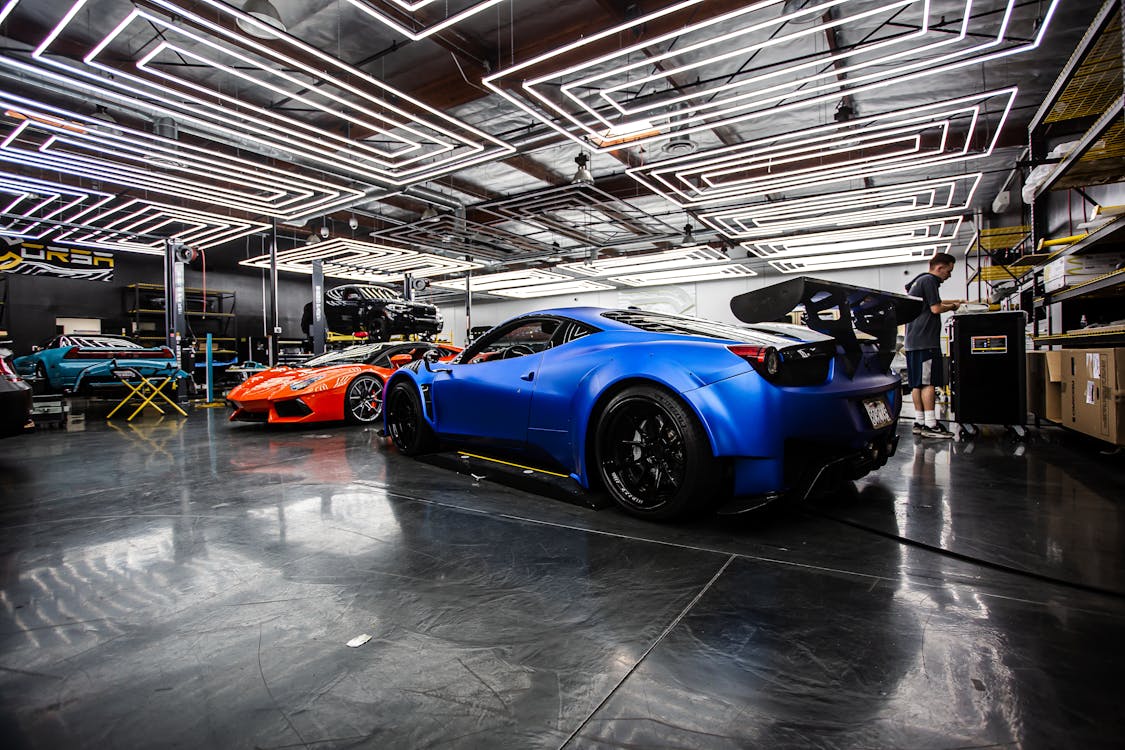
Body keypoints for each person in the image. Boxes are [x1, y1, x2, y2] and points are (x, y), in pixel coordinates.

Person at [904, 253, 961, 438]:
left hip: (913, 341)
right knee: (928, 383)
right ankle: (930, 425)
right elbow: (935, 308)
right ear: (939, 267)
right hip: (925, 341)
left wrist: (955, 302)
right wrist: (953, 307)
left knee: (916, 384)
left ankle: (920, 422)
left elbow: (932, 303)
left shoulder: (918, 281)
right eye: (949, 271)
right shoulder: (930, 281)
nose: (949, 275)